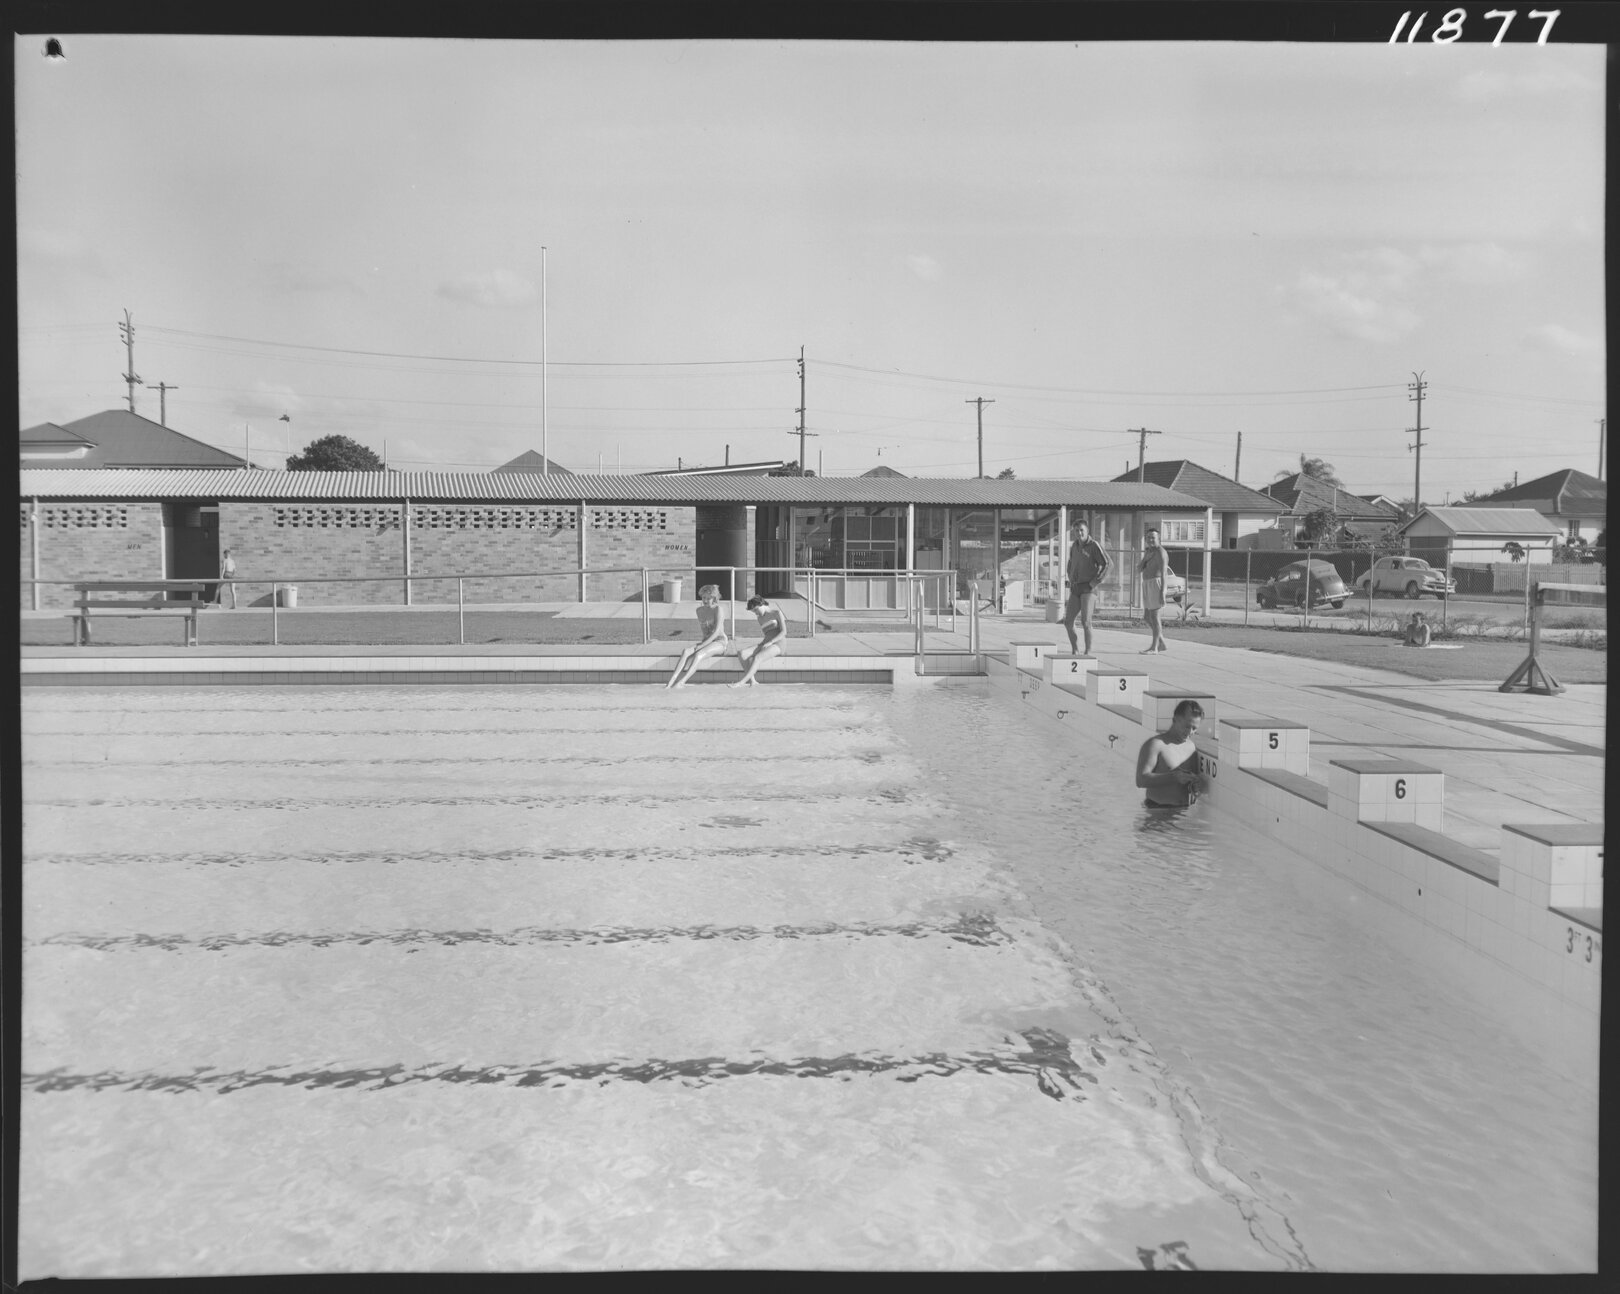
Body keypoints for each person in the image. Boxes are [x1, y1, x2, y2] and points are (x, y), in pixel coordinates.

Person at [1136, 699, 1207, 808]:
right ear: (1175, 720)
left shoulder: (1191, 747)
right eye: (1187, 726)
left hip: (1182, 813)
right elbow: (1140, 780)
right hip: (1157, 811)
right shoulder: (1156, 745)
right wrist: (1173, 777)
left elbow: (1192, 784)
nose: (1190, 732)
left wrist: (1196, 785)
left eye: (1194, 728)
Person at [1061, 519, 1112, 657]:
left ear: (1087, 531)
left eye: (1081, 530)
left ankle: (1088, 651)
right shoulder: (1074, 546)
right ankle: (1075, 649)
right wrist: (1070, 578)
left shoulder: (1094, 545)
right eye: (1076, 531)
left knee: (1086, 622)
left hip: (1088, 589)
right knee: (1068, 621)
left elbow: (1108, 564)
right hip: (1076, 587)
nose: (1079, 533)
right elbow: (1070, 563)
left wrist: (1095, 582)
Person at [665, 584, 729, 688]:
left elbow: (716, 632)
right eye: (704, 597)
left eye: (709, 598)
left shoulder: (718, 609)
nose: (706, 600)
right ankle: (670, 683)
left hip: (720, 642)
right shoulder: (699, 611)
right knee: (686, 651)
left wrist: (702, 645)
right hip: (706, 641)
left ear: (714, 598)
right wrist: (703, 643)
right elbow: (706, 632)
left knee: (698, 654)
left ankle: (681, 683)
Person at [730, 594, 787, 687]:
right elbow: (767, 634)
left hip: (778, 644)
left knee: (757, 658)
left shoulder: (776, 613)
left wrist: (771, 642)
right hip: (766, 643)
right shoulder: (760, 618)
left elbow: (784, 632)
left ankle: (742, 682)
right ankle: (753, 681)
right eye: (753, 612)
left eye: (756, 610)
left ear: (761, 604)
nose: (756, 613)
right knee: (742, 653)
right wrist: (765, 643)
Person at [1137, 528, 1169, 654]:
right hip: (1146, 583)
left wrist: (1163, 592)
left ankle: (1154, 647)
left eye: (1153, 537)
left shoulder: (1161, 553)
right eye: (1148, 537)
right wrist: (1146, 557)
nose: (1150, 539)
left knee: (1155, 618)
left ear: (1158, 538)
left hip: (1156, 584)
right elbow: (1139, 569)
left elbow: (1164, 574)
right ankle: (1161, 642)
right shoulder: (1149, 552)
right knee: (1147, 617)